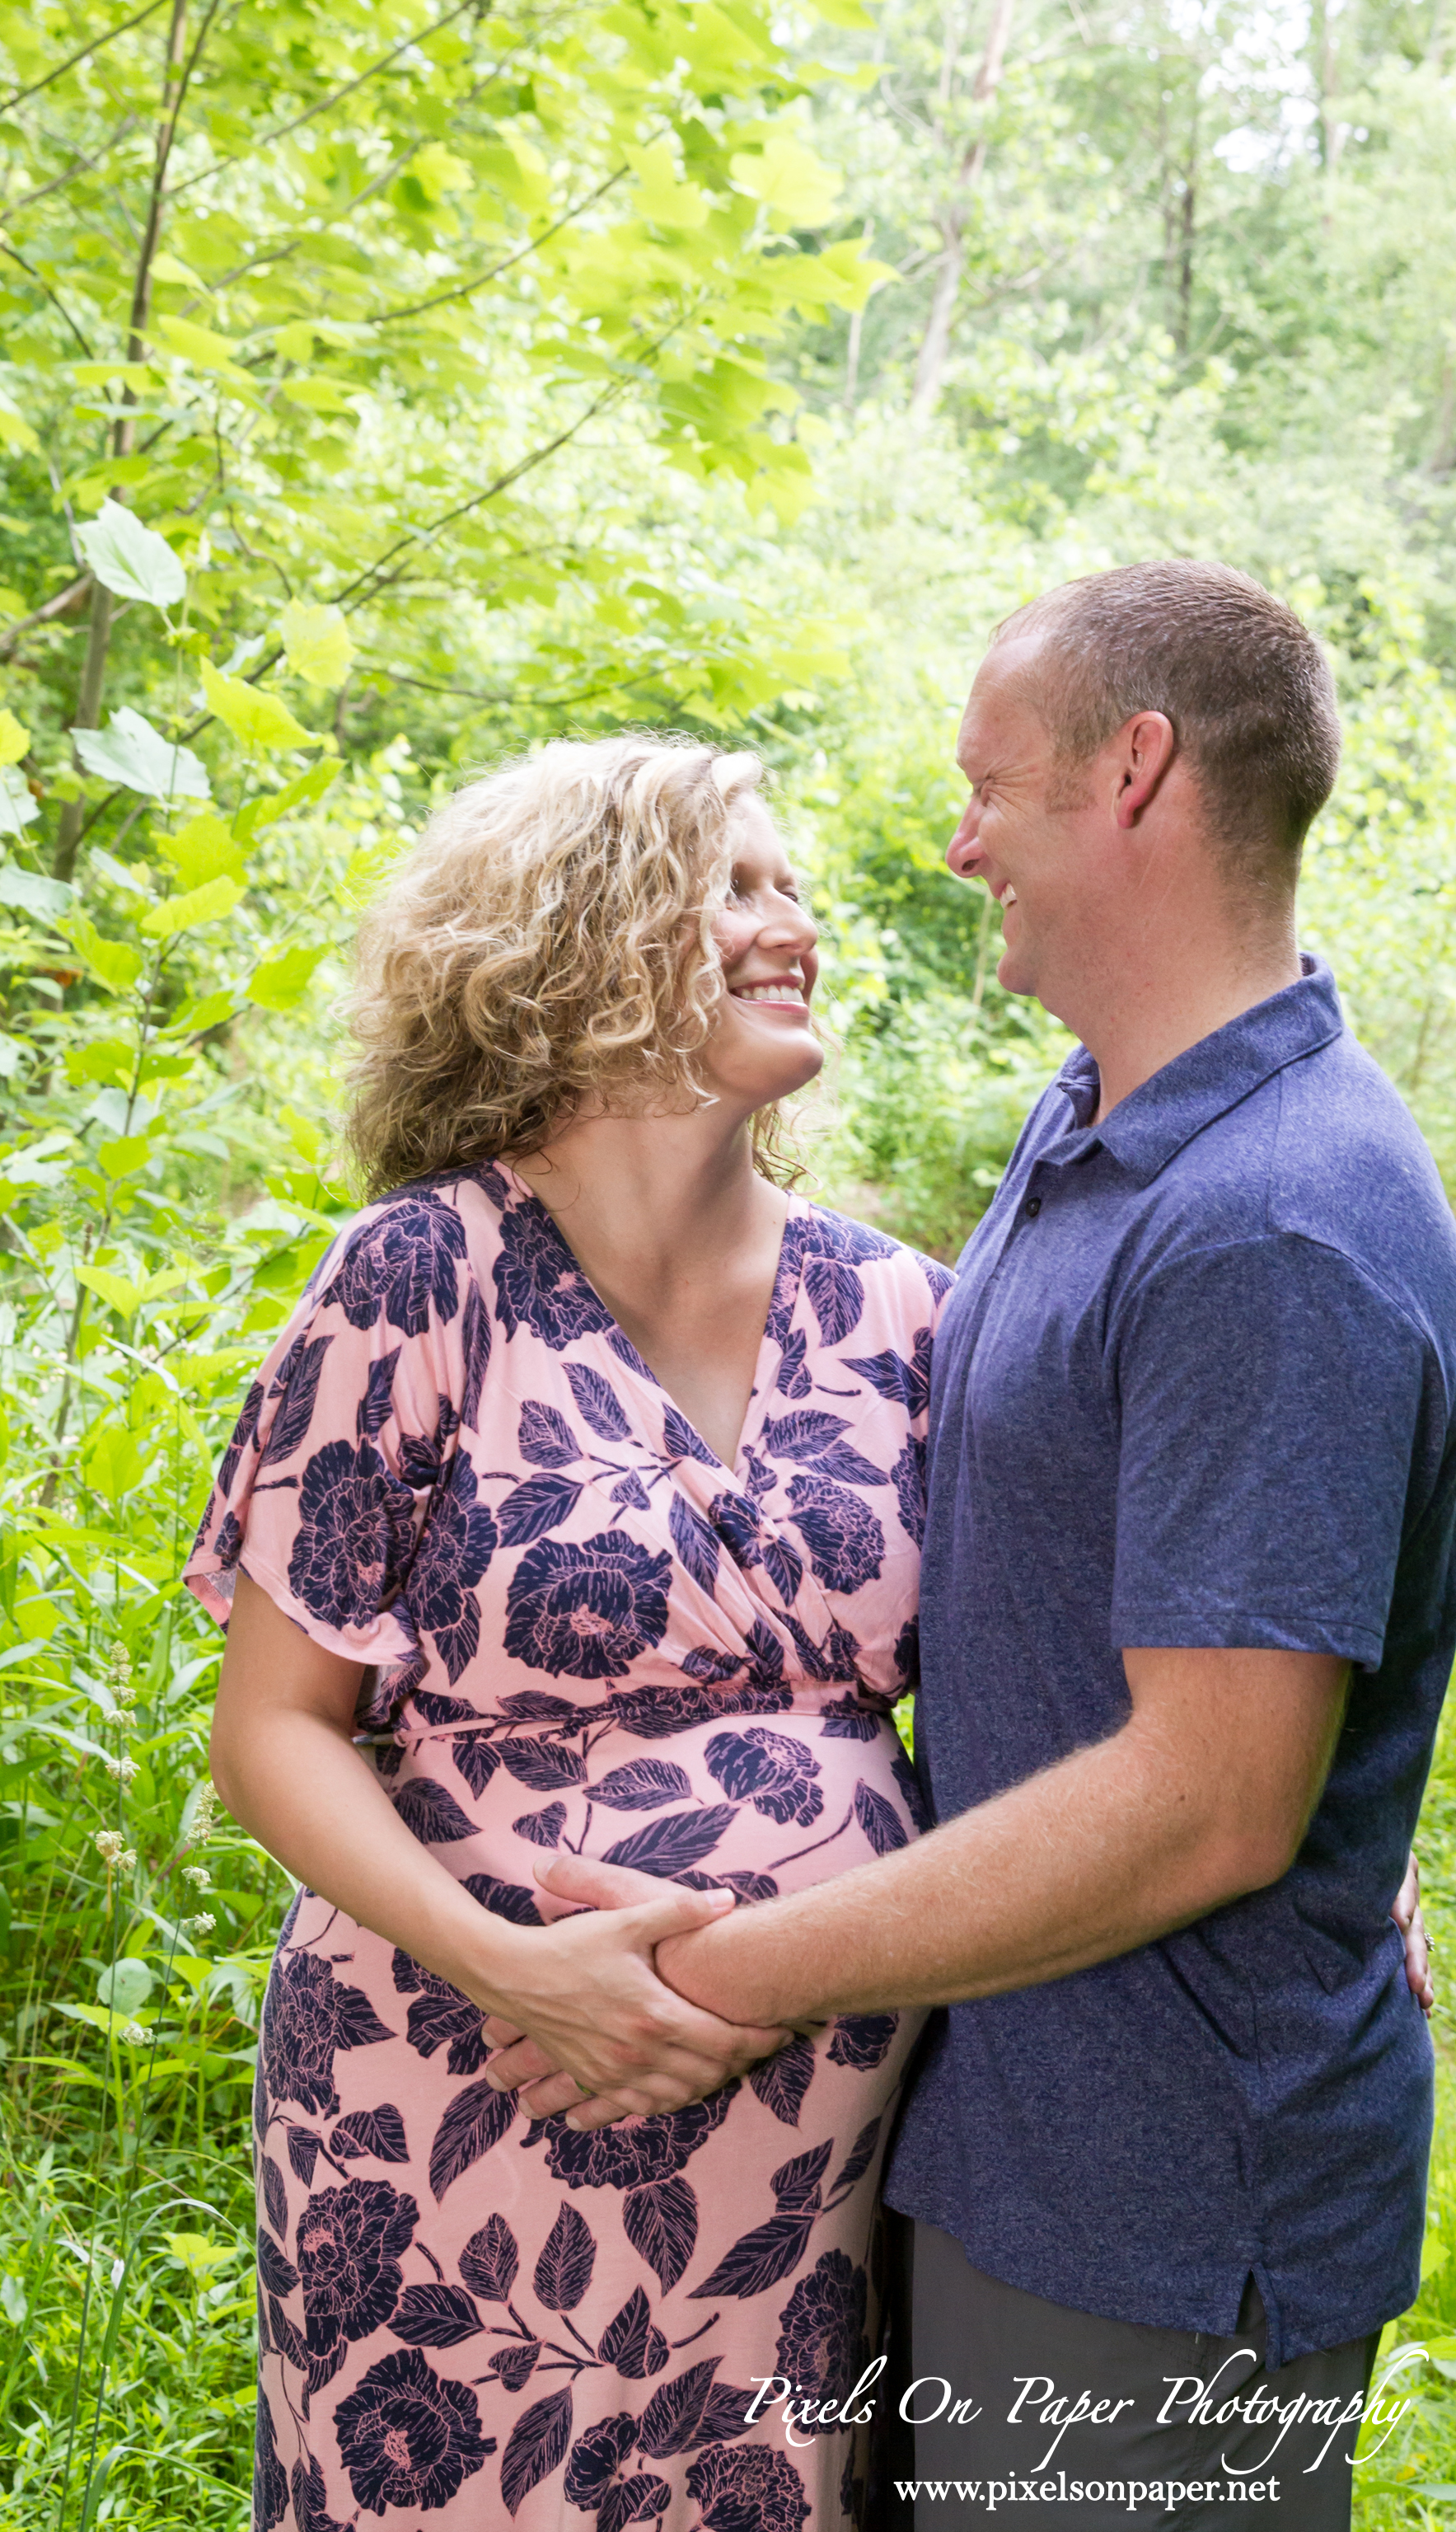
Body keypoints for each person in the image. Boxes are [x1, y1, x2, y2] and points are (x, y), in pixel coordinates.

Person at [481, 564, 1456, 2528]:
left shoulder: (1274, 1221)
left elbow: (1205, 1807)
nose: (954, 841)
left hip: (1162, 2217)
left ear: (1135, 773)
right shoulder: (1097, 1130)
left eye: (988, 784)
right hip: (994, 2141)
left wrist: (727, 1968)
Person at [187, 735, 952, 2532]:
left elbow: (1086, 1662)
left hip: (798, 2147)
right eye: (741, 886)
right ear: (585, 934)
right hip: (444, 2090)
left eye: (795, 887)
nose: (799, 925)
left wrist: (1311, 1836)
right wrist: (510, 1963)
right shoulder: (417, 1280)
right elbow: (274, 1727)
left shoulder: (905, 1309)